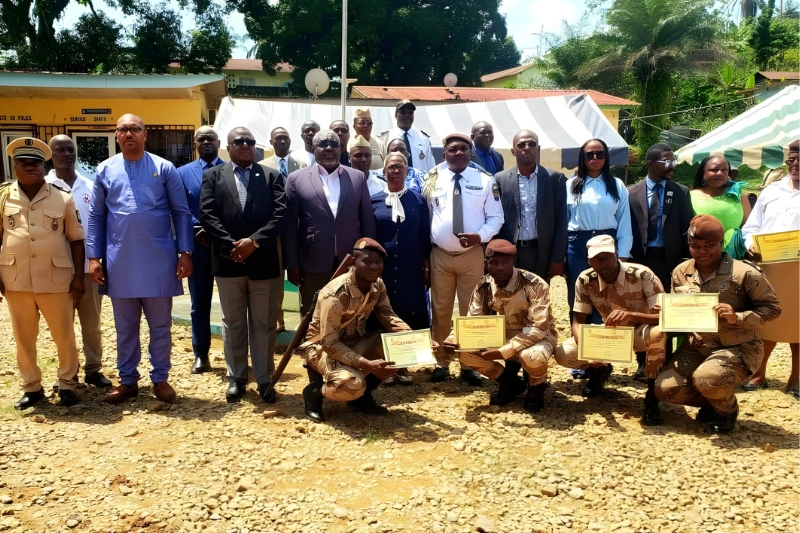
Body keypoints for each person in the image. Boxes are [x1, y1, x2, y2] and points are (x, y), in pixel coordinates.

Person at [87, 114, 194, 405]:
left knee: (160, 326)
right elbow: (96, 215)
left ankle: (160, 378)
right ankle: (128, 381)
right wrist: (94, 257)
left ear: (145, 135)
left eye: (135, 129)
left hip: (159, 260)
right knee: (125, 327)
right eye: (123, 130)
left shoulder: (164, 167)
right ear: (117, 135)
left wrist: (185, 252)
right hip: (119, 261)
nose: (129, 134)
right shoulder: (105, 170)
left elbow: (181, 213)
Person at [653, 215, 781, 433]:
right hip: (698, 347)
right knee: (665, 389)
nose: (702, 251)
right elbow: (680, 316)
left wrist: (737, 316)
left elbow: (773, 309)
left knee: (708, 378)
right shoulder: (681, 272)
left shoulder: (744, 273)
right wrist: (667, 313)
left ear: (721, 244)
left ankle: (726, 411)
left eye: (709, 246)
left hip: (737, 347)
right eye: (695, 246)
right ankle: (712, 402)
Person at [199, 127, 287, 403]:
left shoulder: (272, 175)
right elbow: (207, 214)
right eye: (239, 141)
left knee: (263, 325)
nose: (246, 145)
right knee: (233, 324)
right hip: (228, 263)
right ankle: (236, 378)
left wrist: (254, 242)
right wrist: (232, 245)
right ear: (229, 146)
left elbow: (280, 214)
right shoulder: (212, 176)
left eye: (250, 141)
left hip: (263, 264)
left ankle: (264, 379)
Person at [0, 137, 86, 409]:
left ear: (43, 165)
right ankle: (32, 387)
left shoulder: (63, 198)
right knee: (24, 336)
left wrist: (79, 277)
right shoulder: (3, 197)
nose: (29, 167)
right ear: (15, 166)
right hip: (16, 279)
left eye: (35, 162)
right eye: (23, 163)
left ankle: (67, 384)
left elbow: (76, 239)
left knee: (64, 335)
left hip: (56, 278)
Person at [300, 238, 414, 422]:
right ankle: (315, 393)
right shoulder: (336, 293)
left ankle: (362, 399)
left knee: (399, 347)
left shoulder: (377, 284)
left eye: (378, 262)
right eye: (367, 262)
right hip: (322, 349)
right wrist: (366, 365)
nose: (374, 267)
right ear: (354, 263)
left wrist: (418, 342)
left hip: (354, 342)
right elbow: (329, 343)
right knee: (351, 385)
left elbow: (388, 316)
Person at [554, 235, 666, 421]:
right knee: (563, 353)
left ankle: (652, 396)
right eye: (597, 259)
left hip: (641, 331)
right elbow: (577, 322)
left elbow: (664, 318)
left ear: (616, 255)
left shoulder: (641, 274)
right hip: (611, 335)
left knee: (658, 334)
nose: (603, 264)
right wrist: (588, 351)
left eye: (607, 257)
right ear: (589, 261)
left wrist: (631, 315)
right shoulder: (584, 280)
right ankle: (598, 373)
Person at [424, 132, 504, 384]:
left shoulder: (485, 180)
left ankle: (469, 362)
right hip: (440, 255)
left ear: (470, 152)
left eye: (463, 149)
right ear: (444, 153)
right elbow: (427, 215)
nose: (458, 153)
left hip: (472, 256)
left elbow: (496, 218)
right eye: (452, 149)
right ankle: (441, 361)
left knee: (472, 311)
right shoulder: (432, 178)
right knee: (440, 310)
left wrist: (480, 236)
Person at [443, 240, 557, 412]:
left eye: (505, 262)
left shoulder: (534, 284)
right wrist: (452, 339)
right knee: (465, 352)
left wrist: (504, 351)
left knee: (532, 357)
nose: (500, 267)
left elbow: (539, 327)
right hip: (505, 333)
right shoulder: (484, 286)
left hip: (536, 334)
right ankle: (509, 383)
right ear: (486, 264)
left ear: (514, 261)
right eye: (494, 262)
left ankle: (536, 390)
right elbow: (473, 322)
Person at [283, 130, 376, 316]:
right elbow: (289, 226)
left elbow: (367, 221)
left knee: (348, 316)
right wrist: (292, 263)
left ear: (341, 148)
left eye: (334, 144)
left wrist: (369, 259)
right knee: (312, 316)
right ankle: (311, 347)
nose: (329, 148)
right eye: (323, 144)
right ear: (313, 148)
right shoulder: (296, 179)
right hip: (312, 264)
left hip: (349, 262)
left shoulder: (357, 178)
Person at [46, 135, 111, 388]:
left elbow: (99, 225)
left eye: (70, 149)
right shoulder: (44, 188)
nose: (66, 154)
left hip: (88, 269)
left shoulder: (90, 186)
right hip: (57, 271)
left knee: (92, 323)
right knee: (63, 325)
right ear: (51, 154)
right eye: (60, 150)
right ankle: (68, 372)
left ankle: (93, 369)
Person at [740, 140, 799, 397]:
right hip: (770, 267)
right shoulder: (772, 191)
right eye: (791, 160)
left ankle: (796, 379)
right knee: (767, 321)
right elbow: (752, 227)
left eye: (799, 160)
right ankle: (759, 373)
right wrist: (751, 245)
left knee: (798, 323)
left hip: (798, 271)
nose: (795, 165)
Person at [370, 152, 432, 385]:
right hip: (383, 268)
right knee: (383, 313)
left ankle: (404, 366)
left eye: (400, 167)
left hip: (410, 266)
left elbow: (424, 234)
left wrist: (426, 264)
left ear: (407, 171)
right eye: (391, 167)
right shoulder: (374, 200)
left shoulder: (417, 200)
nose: (396, 171)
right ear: (384, 172)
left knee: (408, 312)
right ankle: (385, 366)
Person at [565, 139, 633, 320]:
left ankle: (602, 335)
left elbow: (624, 220)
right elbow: (565, 220)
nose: (595, 158)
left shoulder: (617, 185)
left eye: (600, 154)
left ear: (606, 157)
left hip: (608, 243)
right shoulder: (570, 185)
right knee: (579, 291)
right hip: (577, 245)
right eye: (589, 155)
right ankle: (579, 337)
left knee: (606, 291)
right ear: (582, 158)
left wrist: (624, 252)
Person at [177, 126, 225, 374]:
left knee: (233, 304)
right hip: (199, 247)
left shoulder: (232, 170)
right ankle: (201, 354)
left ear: (219, 142)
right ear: (195, 144)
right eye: (201, 139)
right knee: (200, 303)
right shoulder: (181, 174)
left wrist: (220, 232)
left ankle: (234, 356)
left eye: (211, 138)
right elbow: (180, 210)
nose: (206, 142)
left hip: (228, 247)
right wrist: (196, 231)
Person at [494, 129, 567, 281]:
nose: (526, 147)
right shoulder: (500, 179)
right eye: (521, 144)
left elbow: (561, 222)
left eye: (531, 144)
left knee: (541, 301)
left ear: (537, 149)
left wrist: (557, 258)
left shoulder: (555, 179)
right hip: (511, 252)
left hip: (543, 253)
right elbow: (495, 218)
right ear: (513, 151)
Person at [259, 126, 307, 332]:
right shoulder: (261, 166)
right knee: (277, 278)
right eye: (278, 138)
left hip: (298, 230)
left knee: (301, 277)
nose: (282, 142)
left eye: (286, 138)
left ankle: (305, 321)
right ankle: (279, 320)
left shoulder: (302, 164)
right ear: (271, 142)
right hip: (275, 232)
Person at [628, 143, 693, 291]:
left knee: (667, 303)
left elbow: (686, 229)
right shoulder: (631, 193)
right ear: (650, 163)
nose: (672, 166)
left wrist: (686, 261)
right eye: (666, 162)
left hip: (670, 260)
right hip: (640, 259)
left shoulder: (680, 192)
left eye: (673, 161)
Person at [690, 155, 752, 259]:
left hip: (735, 257)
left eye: (724, 170)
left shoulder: (739, 196)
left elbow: (749, 227)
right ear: (703, 173)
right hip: (701, 256)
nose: (720, 173)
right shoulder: (690, 196)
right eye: (714, 170)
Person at [379, 100, 435, 173]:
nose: (407, 115)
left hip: (420, 182)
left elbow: (431, 166)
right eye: (403, 112)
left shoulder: (423, 138)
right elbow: (381, 167)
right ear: (396, 115)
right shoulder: (385, 139)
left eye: (410, 113)